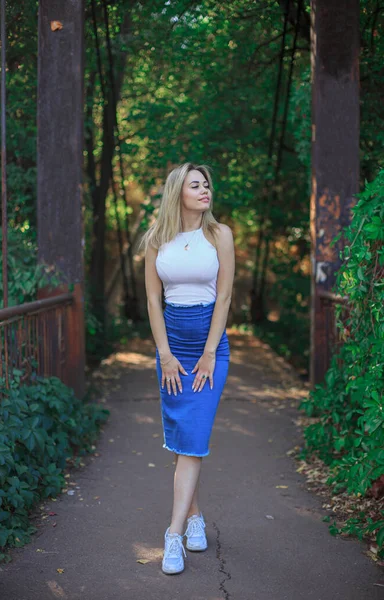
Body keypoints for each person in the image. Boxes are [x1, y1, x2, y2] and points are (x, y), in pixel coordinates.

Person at [142, 162, 235, 575]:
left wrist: (211, 351)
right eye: (195, 185)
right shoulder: (155, 239)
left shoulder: (219, 235)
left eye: (207, 185)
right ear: (177, 192)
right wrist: (164, 354)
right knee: (183, 438)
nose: (205, 190)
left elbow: (226, 297)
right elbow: (152, 301)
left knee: (194, 435)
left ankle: (173, 533)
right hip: (173, 345)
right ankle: (195, 516)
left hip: (209, 345)